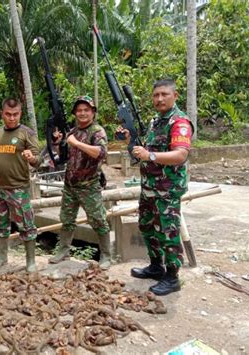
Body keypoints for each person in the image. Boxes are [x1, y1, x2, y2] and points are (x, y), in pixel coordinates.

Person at [118, 78, 193, 296]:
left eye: (164, 94)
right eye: (156, 95)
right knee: (147, 225)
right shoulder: (156, 121)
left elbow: (180, 155)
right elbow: (148, 149)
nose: (159, 99)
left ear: (175, 96)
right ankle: (155, 266)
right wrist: (131, 141)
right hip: (150, 186)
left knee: (167, 231)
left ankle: (172, 276)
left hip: (167, 189)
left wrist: (149, 155)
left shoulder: (179, 122)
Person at [0, 98, 41, 273]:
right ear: (2, 114)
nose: (12, 118)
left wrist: (31, 158)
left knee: (27, 225)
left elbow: (39, 160)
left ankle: (30, 261)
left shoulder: (27, 133)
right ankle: (1, 257)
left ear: (20, 113)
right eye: (8, 114)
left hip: (19, 188)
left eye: (15, 114)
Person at [49, 95, 111, 269]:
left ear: (92, 112)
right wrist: (58, 143)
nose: (82, 113)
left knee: (98, 219)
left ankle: (106, 255)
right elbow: (63, 158)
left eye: (86, 110)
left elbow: (100, 153)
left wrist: (76, 143)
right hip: (70, 185)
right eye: (79, 110)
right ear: (75, 113)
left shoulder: (97, 131)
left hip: (89, 185)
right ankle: (63, 250)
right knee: (67, 219)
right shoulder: (72, 132)